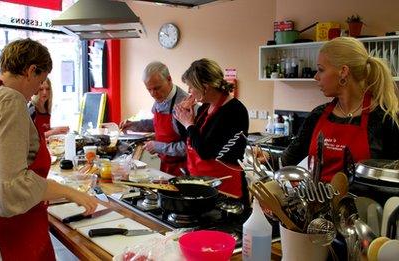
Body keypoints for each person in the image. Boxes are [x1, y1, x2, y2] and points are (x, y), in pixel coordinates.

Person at [0, 38, 98, 260]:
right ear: (31, 71)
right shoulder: (10, 100)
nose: (37, 90)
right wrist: (69, 192)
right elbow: (14, 185)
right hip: (5, 223)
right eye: (39, 80)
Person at [256, 37, 399, 185]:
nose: (316, 77)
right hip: (318, 205)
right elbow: (287, 160)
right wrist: (265, 156)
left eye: (321, 69)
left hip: (364, 207)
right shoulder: (318, 115)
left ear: (343, 72)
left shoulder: (385, 119)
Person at [174, 58, 249, 199]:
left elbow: (205, 151)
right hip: (202, 182)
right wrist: (182, 118)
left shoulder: (234, 111)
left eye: (191, 86)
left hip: (225, 187)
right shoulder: (205, 107)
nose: (189, 91)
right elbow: (189, 141)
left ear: (205, 87)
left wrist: (189, 124)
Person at [120, 61, 189, 176]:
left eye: (157, 88)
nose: (153, 94)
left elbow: (188, 147)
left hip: (182, 169)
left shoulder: (183, 105)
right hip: (165, 164)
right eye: (149, 89)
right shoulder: (161, 97)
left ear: (169, 79)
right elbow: (158, 123)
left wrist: (159, 147)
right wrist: (135, 125)